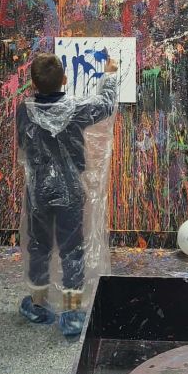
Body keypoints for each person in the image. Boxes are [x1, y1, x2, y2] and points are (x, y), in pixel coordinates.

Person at [17, 53, 119, 337]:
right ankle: (72, 314)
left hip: (38, 189)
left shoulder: (24, 110)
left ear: (33, 84)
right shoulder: (75, 109)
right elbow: (105, 104)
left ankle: (38, 304)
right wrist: (110, 74)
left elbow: (23, 142)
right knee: (72, 248)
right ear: (64, 79)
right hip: (70, 190)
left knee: (38, 245)